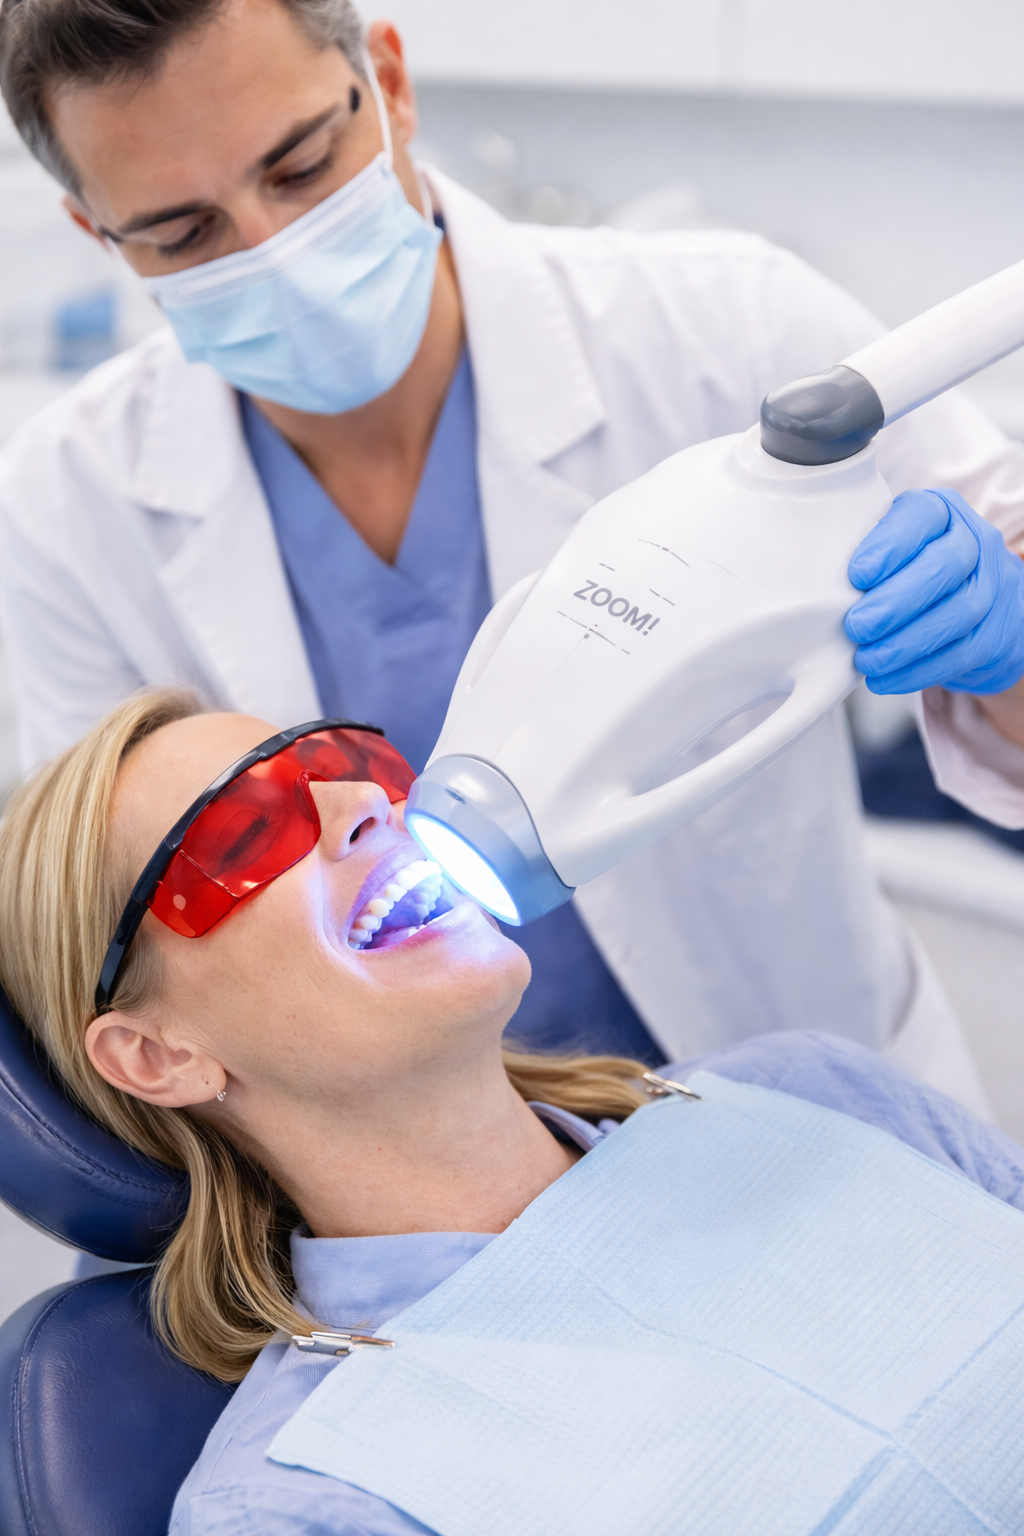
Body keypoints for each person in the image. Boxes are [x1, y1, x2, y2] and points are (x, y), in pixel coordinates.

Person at [1, 0, 1024, 1091]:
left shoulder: (730, 327)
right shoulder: (68, 503)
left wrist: (1001, 647)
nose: (274, 253)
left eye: (300, 167)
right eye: (182, 234)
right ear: (96, 231)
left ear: (390, 85)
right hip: (401, 1159)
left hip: (818, 1108)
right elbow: (110, 933)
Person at [2, 689, 1024, 1535]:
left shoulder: (812, 1091)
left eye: (344, 762)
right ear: (159, 1056)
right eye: (245, 829)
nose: (366, 804)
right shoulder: (304, 1506)